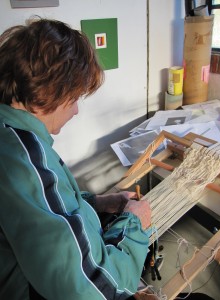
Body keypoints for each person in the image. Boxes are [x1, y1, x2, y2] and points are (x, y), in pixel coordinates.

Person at [0, 18, 152, 300]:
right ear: (46, 93)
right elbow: (94, 290)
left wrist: (96, 203)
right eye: (73, 98)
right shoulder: (24, 159)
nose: (76, 112)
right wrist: (133, 225)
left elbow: (43, 207)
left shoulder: (11, 136)